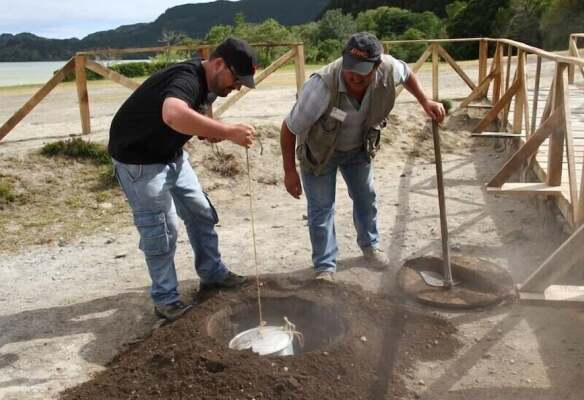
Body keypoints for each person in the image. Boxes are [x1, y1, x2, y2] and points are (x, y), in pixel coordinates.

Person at [109, 37, 257, 321]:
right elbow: (174, 114)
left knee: (201, 212)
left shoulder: (212, 85)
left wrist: (211, 130)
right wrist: (228, 131)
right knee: (161, 230)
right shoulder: (186, 77)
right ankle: (166, 299)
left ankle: (213, 274)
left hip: (172, 155)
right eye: (236, 78)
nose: (237, 86)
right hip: (139, 162)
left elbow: (201, 116)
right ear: (217, 64)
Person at [280, 32, 446, 281]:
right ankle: (325, 266)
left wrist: (425, 102)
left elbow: (407, 73)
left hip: (358, 148)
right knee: (321, 209)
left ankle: (370, 247)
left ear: (377, 66)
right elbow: (289, 127)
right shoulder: (321, 86)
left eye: (362, 71)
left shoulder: (389, 69)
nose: (354, 76)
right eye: (350, 69)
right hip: (320, 153)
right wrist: (289, 171)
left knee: (366, 199)